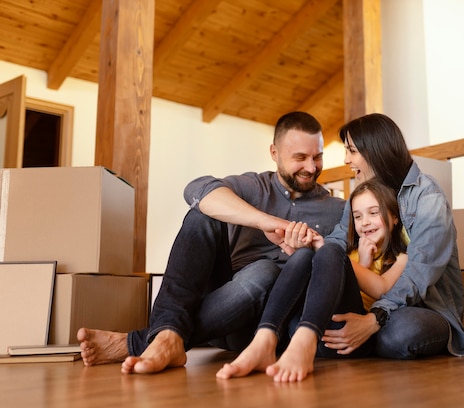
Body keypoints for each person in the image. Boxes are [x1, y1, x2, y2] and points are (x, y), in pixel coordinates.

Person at [77, 111, 345, 374]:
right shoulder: (253, 187)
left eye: (317, 157)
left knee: (266, 271)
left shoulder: (337, 210)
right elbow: (196, 190)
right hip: (223, 303)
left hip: (268, 323)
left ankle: (149, 340)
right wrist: (266, 222)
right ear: (274, 153)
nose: (311, 168)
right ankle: (167, 333)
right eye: (300, 158)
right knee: (202, 214)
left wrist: (312, 251)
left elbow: (343, 270)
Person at [318, 113, 464, 359]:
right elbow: (337, 240)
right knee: (320, 330)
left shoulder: (428, 198)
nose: (346, 160)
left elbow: (418, 275)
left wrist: (375, 317)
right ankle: (360, 338)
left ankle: (366, 337)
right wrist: (315, 246)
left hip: (426, 309)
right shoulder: (363, 194)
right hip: (374, 303)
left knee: (400, 334)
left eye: (352, 151)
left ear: (375, 150)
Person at [215, 179, 408, 381]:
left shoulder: (401, 259)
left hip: (346, 338)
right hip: (304, 327)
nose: (365, 222)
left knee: (330, 250)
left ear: (394, 217)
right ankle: (265, 338)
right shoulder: (350, 252)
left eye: (373, 213)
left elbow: (382, 289)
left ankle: (303, 340)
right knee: (303, 255)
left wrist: (361, 262)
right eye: (357, 217)